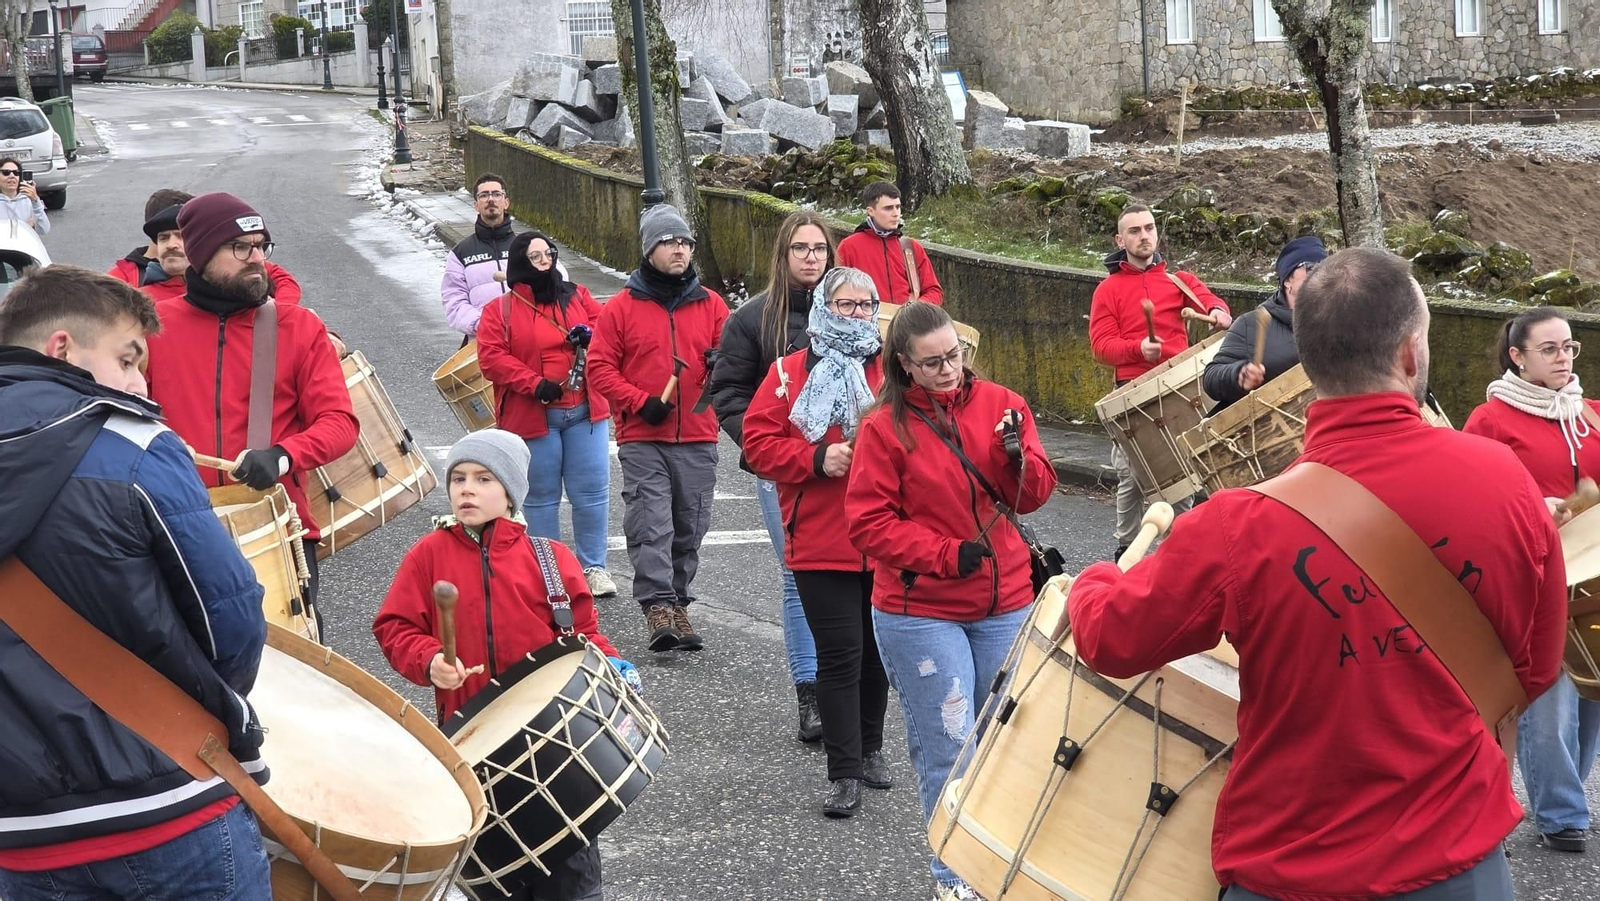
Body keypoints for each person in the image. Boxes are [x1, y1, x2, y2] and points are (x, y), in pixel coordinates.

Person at [1066, 247, 1567, 900]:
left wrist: (1091, 581)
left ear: (1308, 360)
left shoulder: (1234, 525)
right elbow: (1534, 667)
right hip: (1460, 867)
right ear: (1411, 354)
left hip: (1292, 873)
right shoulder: (1505, 480)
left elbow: (1109, 638)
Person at [0, 266, 271, 900]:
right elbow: (228, 621)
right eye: (127, 359)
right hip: (168, 804)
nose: (138, 382)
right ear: (62, 348)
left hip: (19, 835)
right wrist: (185, 711)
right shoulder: (134, 444)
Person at [845, 301, 1056, 900]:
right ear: (905, 365)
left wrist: (1022, 459)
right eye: (932, 363)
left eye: (954, 357)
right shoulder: (882, 428)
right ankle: (953, 878)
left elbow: (1033, 496)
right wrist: (943, 553)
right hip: (921, 611)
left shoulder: (1002, 404)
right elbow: (867, 524)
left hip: (1006, 599)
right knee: (950, 744)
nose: (948, 371)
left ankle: (1001, 864)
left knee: (1005, 743)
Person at [374, 428, 631, 901]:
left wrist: (612, 666)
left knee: (571, 879)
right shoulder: (428, 556)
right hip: (474, 746)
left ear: (511, 493)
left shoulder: (551, 559)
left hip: (557, 746)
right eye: (458, 478)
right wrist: (429, 660)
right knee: (492, 881)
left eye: (483, 478)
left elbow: (583, 634)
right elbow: (395, 627)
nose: (466, 488)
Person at [145, 192, 357, 629]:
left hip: (277, 529)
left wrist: (283, 455)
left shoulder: (298, 326)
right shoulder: (150, 329)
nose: (256, 258)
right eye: (241, 248)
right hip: (179, 531)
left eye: (262, 246)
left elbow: (339, 422)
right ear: (201, 254)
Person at [744, 267, 891, 818]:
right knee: (839, 657)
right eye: (845, 304)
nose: (855, 313)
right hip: (819, 539)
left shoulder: (890, 369)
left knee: (877, 655)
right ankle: (844, 771)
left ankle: (873, 749)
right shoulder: (787, 373)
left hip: (885, 539)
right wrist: (814, 458)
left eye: (864, 304)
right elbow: (757, 445)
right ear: (825, 308)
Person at [1463, 305, 1600, 854]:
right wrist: (1533, 505)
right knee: (1549, 696)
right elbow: (1473, 498)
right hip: (1532, 577)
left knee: (1591, 698)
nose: (1564, 358)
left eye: (1569, 347)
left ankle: (1565, 793)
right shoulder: (1489, 421)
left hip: (1593, 577)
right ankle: (1561, 810)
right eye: (1550, 350)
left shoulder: (1592, 413)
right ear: (1517, 357)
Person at [707, 209, 833, 743]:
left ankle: (847, 684)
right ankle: (810, 692)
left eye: (820, 248)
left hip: (850, 466)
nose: (811, 257)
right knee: (797, 573)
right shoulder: (754, 318)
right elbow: (727, 393)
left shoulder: (855, 314)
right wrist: (759, 447)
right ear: (783, 256)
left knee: (856, 574)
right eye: (800, 248)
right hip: (782, 470)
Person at [589, 203, 727, 653]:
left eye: (685, 242)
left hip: (699, 434)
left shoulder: (712, 305)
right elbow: (600, 368)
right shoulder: (621, 308)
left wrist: (719, 365)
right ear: (650, 249)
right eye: (669, 242)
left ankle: (680, 601)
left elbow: (734, 362)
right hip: (643, 436)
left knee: (690, 526)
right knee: (652, 522)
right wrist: (637, 402)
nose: (679, 250)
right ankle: (659, 607)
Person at [476, 230, 618, 600]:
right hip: (533, 416)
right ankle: (548, 569)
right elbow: (491, 358)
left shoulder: (578, 296)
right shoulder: (500, 310)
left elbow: (609, 329)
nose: (545, 261)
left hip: (585, 411)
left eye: (549, 254)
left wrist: (591, 336)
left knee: (591, 493)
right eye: (536, 256)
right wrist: (534, 383)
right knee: (540, 496)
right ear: (521, 263)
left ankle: (593, 567)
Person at [1089, 202, 1231, 558]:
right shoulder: (1108, 289)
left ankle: (1177, 550)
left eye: (1149, 228)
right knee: (1131, 477)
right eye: (1135, 231)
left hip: (1176, 390)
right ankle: (1126, 549)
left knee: (1181, 476)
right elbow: (1101, 347)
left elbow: (1211, 300)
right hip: (1132, 392)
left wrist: (1217, 312)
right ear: (1120, 239)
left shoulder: (1179, 280)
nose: (1144, 236)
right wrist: (1138, 348)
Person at [109, 189, 302, 304]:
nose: (172, 245)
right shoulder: (131, 280)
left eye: (180, 236)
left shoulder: (232, 268)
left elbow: (280, 277)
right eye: (164, 237)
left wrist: (279, 315)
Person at [1202, 235, 1327, 410]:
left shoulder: (1337, 318)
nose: (1321, 274)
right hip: (1272, 430)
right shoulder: (1251, 324)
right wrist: (1239, 374)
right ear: (1287, 280)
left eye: (1326, 267)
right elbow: (1211, 378)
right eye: (1311, 267)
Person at [441, 172, 568, 341]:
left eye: (496, 194)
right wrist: (483, 324)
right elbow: (454, 300)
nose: (490, 199)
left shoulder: (530, 246)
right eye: (484, 195)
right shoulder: (460, 253)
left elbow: (559, 282)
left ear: (506, 202)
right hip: (484, 340)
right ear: (476, 205)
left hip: (531, 336)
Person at [836, 182, 942, 305]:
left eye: (898, 207)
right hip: (865, 320)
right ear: (871, 211)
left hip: (908, 321)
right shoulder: (848, 247)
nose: (896, 213)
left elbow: (934, 291)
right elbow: (836, 293)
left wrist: (915, 307)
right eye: (888, 208)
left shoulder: (911, 247)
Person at [0, 157, 47, 236]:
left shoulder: (28, 201)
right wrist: (25, 227)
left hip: (25, 247)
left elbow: (44, 230)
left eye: (16, 173)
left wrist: (36, 201)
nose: (12, 176)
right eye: (6, 172)